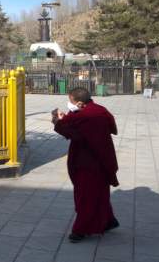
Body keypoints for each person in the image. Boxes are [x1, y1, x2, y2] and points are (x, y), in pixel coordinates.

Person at [52, 87, 119, 242]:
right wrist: (68, 117)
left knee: (86, 196)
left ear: (80, 103)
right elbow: (111, 127)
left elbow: (71, 132)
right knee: (100, 193)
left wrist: (57, 120)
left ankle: (80, 230)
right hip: (104, 159)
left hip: (88, 162)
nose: (70, 105)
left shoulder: (86, 116)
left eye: (71, 102)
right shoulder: (100, 110)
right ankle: (108, 220)